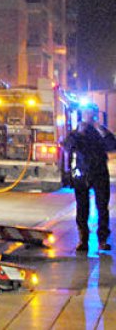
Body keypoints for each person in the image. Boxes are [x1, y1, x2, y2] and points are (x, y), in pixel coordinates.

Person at [64, 105, 116, 252]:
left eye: (91, 113)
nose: (88, 116)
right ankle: (83, 240)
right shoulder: (77, 132)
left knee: (102, 208)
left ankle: (102, 240)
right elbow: (68, 146)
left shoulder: (101, 131)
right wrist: (79, 132)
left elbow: (112, 146)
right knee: (82, 209)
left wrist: (101, 130)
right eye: (86, 113)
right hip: (82, 174)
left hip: (100, 173)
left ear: (95, 115)